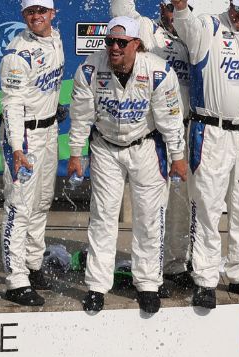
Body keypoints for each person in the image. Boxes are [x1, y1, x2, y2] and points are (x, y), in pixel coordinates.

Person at [66, 16, 187, 314]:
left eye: (122, 42)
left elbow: (171, 121)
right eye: (110, 42)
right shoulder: (90, 69)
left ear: (137, 44)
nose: (114, 48)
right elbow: (81, 116)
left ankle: (147, 284)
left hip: (145, 147)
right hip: (105, 147)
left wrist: (178, 157)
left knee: (148, 217)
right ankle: (96, 286)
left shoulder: (159, 71)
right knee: (103, 217)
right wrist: (75, 153)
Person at [170, 0, 239, 309]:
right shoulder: (208, 27)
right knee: (207, 207)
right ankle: (204, 278)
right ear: (230, 4)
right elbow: (185, 25)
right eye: (238, 9)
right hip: (211, 131)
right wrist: (179, 6)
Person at [0, 0, 64, 308]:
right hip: (24, 135)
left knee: (41, 201)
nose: (36, 17)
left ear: (52, 13)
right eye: (30, 12)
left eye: (41, 11)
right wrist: (16, 148)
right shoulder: (17, 54)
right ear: (24, 15)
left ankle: (34, 264)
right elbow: (11, 104)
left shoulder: (58, 38)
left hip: (49, 131)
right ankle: (16, 279)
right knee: (19, 205)